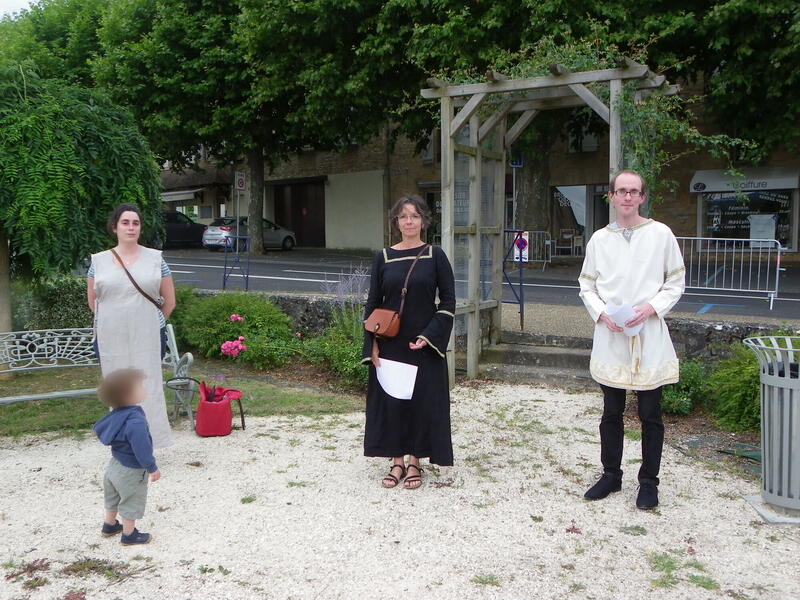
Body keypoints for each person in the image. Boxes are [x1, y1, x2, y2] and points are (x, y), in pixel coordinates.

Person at [578, 170, 685, 510]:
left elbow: (675, 280)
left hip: (648, 333)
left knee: (650, 413)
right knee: (611, 411)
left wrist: (651, 307)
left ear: (641, 197)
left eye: (633, 191)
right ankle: (611, 475)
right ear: (611, 196)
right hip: (612, 334)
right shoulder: (599, 240)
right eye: (621, 191)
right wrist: (601, 313)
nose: (626, 197)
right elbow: (587, 284)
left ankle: (649, 482)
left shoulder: (660, 234)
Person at [362, 195, 456, 489]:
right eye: (403, 217)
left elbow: (449, 301)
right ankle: (396, 461)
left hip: (423, 343)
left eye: (414, 216)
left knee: (419, 403)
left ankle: (415, 461)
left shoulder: (435, 255)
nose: (409, 221)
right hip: (390, 342)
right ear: (396, 222)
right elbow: (373, 304)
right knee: (392, 402)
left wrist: (429, 336)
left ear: (424, 221)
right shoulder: (384, 257)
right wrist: (371, 344)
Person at [87, 203, 176, 449]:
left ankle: (151, 442)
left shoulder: (156, 260)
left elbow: (169, 301)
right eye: (125, 222)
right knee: (118, 390)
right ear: (114, 227)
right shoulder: (99, 262)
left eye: (135, 223)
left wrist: (151, 322)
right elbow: (93, 302)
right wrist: (119, 320)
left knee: (148, 387)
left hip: (147, 335)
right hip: (110, 336)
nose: (131, 227)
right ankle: (124, 443)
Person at [93, 369, 161, 545]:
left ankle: (109, 525)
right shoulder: (135, 421)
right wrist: (151, 466)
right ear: (127, 395)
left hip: (114, 465)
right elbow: (141, 447)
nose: (144, 389)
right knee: (131, 499)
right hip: (131, 469)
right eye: (140, 387)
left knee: (113, 496)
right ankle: (129, 534)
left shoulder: (117, 415)